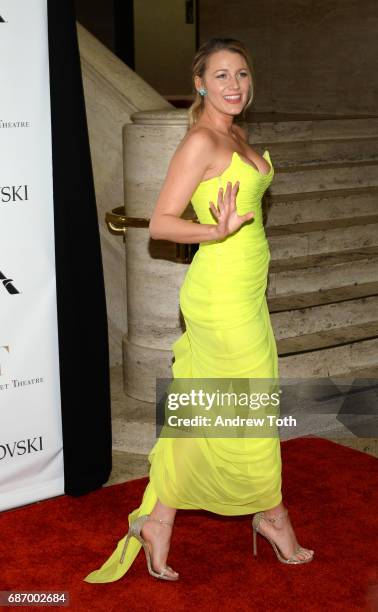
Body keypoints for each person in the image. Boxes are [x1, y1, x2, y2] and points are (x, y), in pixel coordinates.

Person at [83, 37, 314, 584]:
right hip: (220, 294)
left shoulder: (234, 132)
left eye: (241, 74)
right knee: (252, 406)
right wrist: (213, 230)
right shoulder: (200, 142)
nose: (234, 85)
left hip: (245, 287)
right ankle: (272, 515)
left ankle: (157, 519)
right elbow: (161, 222)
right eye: (221, 76)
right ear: (199, 84)